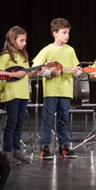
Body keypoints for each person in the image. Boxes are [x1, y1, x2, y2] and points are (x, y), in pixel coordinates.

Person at [33, 18, 83, 159]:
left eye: (68, 32)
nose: (67, 35)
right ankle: (44, 147)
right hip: (51, 91)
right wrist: (50, 73)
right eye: (64, 32)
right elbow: (36, 67)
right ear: (55, 33)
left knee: (63, 120)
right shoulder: (47, 50)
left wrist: (77, 71)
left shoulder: (70, 50)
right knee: (48, 119)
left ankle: (63, 147)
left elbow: (74, 68)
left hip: (66, 91)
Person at [0, 26, 43, 165]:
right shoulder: (5, 56)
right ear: (12, 40)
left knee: (19, 123)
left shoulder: (23, 56)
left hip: (22, 94)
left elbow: (26, 75)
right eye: (21, 40)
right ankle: (7, 152)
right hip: (11, 94)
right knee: (11, 123)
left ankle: (16, 150)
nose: (24, 43)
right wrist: (13, 74)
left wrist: (36, 71)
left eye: (25, 40)